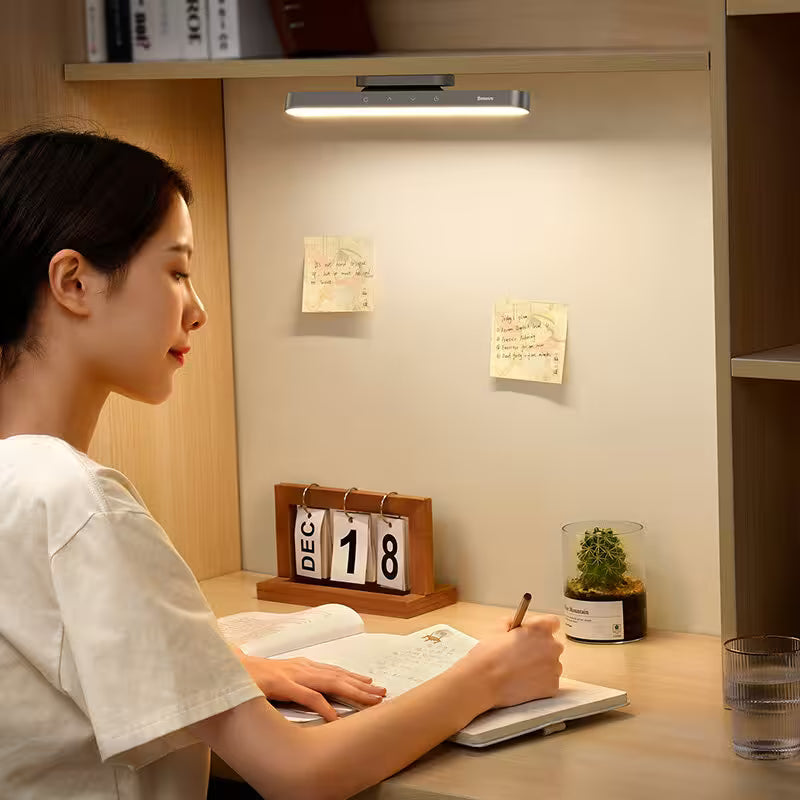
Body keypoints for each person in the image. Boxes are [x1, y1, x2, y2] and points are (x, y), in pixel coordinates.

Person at [0, 128, 563, 800]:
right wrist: (490, 675)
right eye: (177, 271)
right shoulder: (72, 500)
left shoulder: (23, 483)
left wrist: (215, 669)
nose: (199, 310)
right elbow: (298, 775)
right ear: (74, 282)